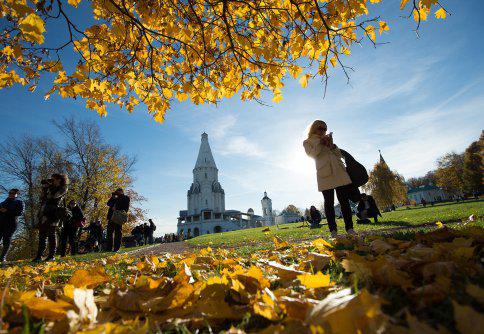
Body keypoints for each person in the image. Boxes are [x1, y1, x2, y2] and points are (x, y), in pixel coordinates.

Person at [303, 120, 359, 237]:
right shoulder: (307, 142)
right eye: (320, 128)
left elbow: (339, 155)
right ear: (314, 128)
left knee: (344, 202)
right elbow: (312, 154)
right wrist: (320, 143)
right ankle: (333, 230)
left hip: (339, 172)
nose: (323, 131)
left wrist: (332, 145)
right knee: (329, 203)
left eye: (325, 129)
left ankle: (349, 228)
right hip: (325, 174)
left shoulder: (327, 139)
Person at [34, 174, 69, 262]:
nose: (51, 180)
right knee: (42, 235)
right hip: (44, 212)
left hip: (53, 213)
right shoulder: (49, 188)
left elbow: (54, 196)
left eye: (53, 179)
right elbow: (41, 198)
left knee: (51, 234)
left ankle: (51, 255)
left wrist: (49, 188)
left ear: (59, 179)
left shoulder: (63, 188)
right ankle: (39, 256)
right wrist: (44, 188)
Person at [0, 189, 24, 262]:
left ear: (17, 194)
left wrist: (7, 211)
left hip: (11, 223)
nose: (11, 194)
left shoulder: (19, 202)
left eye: (13, 193)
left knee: (6, 239)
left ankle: (2, 257)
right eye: (10, 193)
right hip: (1, 223)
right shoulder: (2, 203)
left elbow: (20, 213)